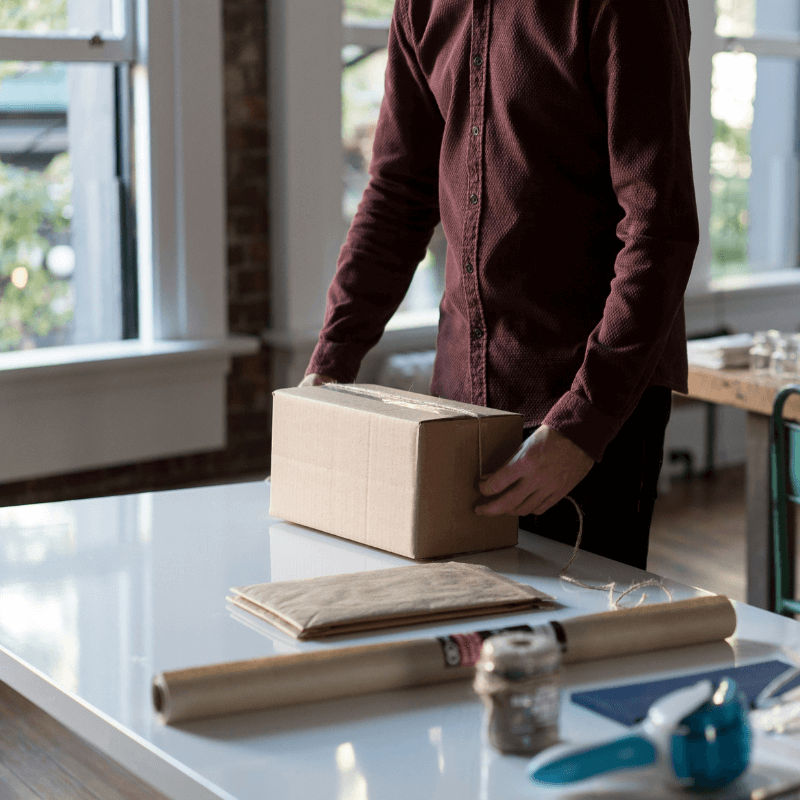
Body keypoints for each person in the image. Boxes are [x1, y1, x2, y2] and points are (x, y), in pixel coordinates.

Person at [301, 0, 699, 570]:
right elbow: (396, 197)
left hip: (589, 408)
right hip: (457, 410)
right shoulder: (420, 6)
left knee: (577, 647)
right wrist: (329, 368)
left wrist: (581, 427)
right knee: (465, 641)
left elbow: (659, 229)